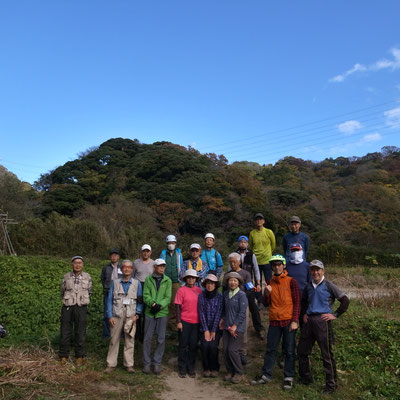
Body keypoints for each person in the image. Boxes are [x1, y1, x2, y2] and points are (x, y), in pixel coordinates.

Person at [297, 260, 350, 394]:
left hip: (322, 321)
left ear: (323, 271)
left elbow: (345, 300)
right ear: (310, 272)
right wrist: (303, 315)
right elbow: (303, 302)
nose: (315, 272)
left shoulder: (329, 285)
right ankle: (306, 378)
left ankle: (331, 385)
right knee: (302, 350)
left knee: (326, 354)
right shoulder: (308, 286)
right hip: (309, 321)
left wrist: (335, 314)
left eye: (318, 270)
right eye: (313, 270)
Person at [251, 254, 300, 391]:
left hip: (289, 320)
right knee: (270, 349)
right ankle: (266, 374)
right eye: (274, 265)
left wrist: (295, 320)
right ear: (272, 267)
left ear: (284, 265)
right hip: (274, 321)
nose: (277, 267)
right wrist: (266, 293)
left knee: (290, 351)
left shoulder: (291, 282)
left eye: (279, 264)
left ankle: (288, 377)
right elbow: (266, 304)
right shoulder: (270, 282)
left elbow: (297, 303)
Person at [104, 260, 143, 373]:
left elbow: (140, 300)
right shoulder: (114, 283)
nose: (126, 269)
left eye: (129, 267)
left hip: (131, 315)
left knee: (130, 340)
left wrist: (137, 314)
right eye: (124, 267)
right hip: (117, 314)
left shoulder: (137, 283)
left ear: (132, 270)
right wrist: (109, 316)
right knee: (114, 339)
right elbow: (109, 300)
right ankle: (110, 364)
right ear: (121, 269)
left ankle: (129, 365)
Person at [59, 256, 92, 365]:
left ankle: (79, 356)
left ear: (83, 265)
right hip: (68, 306)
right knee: (65, 331)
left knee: (80, 332)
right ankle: (64, 355)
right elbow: (62, 291)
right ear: (72, 264)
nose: (78, 265)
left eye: (80, 263)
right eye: (75, 263)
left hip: (81, 306)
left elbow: (89, 291)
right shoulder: (66, 276)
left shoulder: (87, 276)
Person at [142, 258, 172, 374]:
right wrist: (152, 304)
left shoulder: (167, 280)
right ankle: (147, 363)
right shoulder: (148, 279)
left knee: (161, 339)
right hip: (150, 312)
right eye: (160, 266)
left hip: (162, 313)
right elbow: (146, 295)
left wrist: (159, 306)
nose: (162, 268)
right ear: (155, 267)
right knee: (147, 339)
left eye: (163, 266)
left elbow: (168, 297)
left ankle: (157, 363)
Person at [226, 252, 264, 340]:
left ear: (239, 262)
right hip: (231, 297)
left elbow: (249, 287)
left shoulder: (246, 273)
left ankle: (259, 328)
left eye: (234, 262)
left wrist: (243, 297)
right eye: (230, 262)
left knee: (254, 309)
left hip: (245, 296)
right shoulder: (228, 274)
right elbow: (225, 288)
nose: (232, 264)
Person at [220, 271, 248, 384]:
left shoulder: (242, 295)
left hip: (238, 328)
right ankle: (230, 371)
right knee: (226, 350)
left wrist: (235, 326)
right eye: (230, 280)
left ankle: (238, 372)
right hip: (227, 326)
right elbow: (224, 309)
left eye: (235, 281)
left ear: (238, 283)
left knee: (233, 350)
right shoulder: (226, 294)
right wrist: (222, 319)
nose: (232, 282)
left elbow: (242, 313)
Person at [175, 269, 202, 378]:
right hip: (184, 321)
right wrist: (178, 321)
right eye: (189, 277)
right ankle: (182, 367)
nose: (191, 279)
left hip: (196, 322)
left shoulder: (199, 291)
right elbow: (177, 306)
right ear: (186, 279)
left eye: (193, 277)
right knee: (183, 344)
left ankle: (191, 367)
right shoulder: (181, 290)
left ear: (196, 279)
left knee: (193, 345)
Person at [198, 274, 223, 378]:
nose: (209, 285)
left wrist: (213, 330)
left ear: (215, 285)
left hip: (216, 328)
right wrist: (206, 330)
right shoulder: (201, 296)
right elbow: (201, 313)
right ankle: (206, 368)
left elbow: (218, 313)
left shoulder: (219, 297)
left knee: (213, 346)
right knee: (204, 345)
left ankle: (214, 367)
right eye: (208, 283)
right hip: (204, 327)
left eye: (212, 283)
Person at [159, 235, 183, 330]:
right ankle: (163, 323)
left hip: (176, 281)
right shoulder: (163, 253)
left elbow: (180, 266)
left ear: (175, 244)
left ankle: (172, 324)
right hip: (164, 280)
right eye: (169, 243)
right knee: (164, 301)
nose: (171, 245)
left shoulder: (179, 254)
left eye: (173, 243)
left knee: (174, 302)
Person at [133, 244, 155, 340]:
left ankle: (145, 334)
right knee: (137, 311)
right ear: (141, 252)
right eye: (144, 251)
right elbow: (132, 275)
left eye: (147, 251)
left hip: (148, 287)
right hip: (138, 286)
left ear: (150, 252)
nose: (145, 253)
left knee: (147, 311)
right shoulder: (136, 262)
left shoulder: (154, 263)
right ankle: (137, 333)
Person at [248, 212, 276, 286]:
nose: (259, 221)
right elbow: (251, 245)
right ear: (255, 221)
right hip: (256, 261)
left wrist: (268, 252)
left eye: (260, 219)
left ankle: (270, 296)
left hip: (267, 260)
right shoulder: (252, 233)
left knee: (269, 281)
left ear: (263, 221)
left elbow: (273, 245)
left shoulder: (269, 232)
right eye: (257, 219)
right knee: (257, 282)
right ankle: (258, 297)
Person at [101, 249, 122, 338]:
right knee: (107, 312)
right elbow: (102, 278)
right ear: (110, 257)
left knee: (120, 312)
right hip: (108, 291)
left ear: (118, 257)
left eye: (116, 255)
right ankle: (106, 335)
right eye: (112, 255)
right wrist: (106, 287)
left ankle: (120, 334)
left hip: (120, 292)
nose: (114, 257)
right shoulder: (106, 267)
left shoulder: (122, 267)